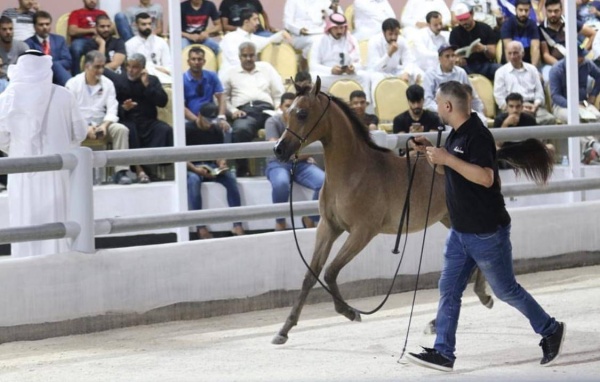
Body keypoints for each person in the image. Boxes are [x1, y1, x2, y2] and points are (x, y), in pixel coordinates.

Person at [406, 80, 565, 372]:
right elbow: (448, 169)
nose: (436, 107)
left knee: (506, 291)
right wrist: (432, 153)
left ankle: (550, 329)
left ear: (449, 106)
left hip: (485, 232)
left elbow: (485, 178)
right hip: (461, 232)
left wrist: (448, 158)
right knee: (449, 288)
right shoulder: (457, 134)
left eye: (439, 103)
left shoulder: (476, 135)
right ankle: (444, 352)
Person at [0, 50, 88, 257]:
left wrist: (19, 149)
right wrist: (63, 145)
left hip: (22, 173)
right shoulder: (64, 95)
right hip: (58, 172)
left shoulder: (7, 98)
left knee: (25, 218)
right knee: (58, 223)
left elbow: (1, 138)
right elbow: (80, 133)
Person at [65, 50, 132, 185]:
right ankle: (72, 174)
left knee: (121, 130)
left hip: (101, 124)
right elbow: (69, 113)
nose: (101, 70)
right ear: (86, 66)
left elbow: (112, 109)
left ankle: (121, 172)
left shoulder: (108, 83)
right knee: (67, 130)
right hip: (79, 125)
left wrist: (105, 125)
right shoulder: (73, 83)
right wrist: (85, 128)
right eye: (97, 67)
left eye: (102, 66)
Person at [104, 53, 172, 183]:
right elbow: (111, 106)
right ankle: (139, 169)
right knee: (129, 130)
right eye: (128, 66)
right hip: (127, 119)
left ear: (142, 68)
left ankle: (152, 167)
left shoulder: (152, 80)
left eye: (135, 67)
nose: (130, 70)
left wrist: (147, 86)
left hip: (148, 121)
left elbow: (162, 101)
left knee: (164, 130)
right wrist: (124, 108)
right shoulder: (120, 81)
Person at [220, 41, 283, 176]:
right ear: (239, 57)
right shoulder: (231, 73)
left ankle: (280, 167)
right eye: (245, 56)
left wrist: (279, 109)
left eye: (251, 55)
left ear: (256, 56)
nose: (248, 59)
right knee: (241, 129)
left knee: (281, 125)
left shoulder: (267, 69)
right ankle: (243, 171)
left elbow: (278, 93)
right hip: (245, 112)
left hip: (268, 110)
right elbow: (222, 97)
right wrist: (233, 111)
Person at [265, 92, 324, 231]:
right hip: (278, 164)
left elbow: (312, 149)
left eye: (294, 106)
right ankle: (280, 221)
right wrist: (301, 154)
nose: (291, 109)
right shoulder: (272, 121)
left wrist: (296, 155)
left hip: (301, 164)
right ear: (280, 107)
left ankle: (311, 218)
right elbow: (276, 150)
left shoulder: (305, 122)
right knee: (281, 183)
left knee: (324, 182)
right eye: (287, 106)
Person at [186, 102, 245, 239]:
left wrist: (221, 163)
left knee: (230, 179)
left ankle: (237, 224)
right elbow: (180, 158)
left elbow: (219, 153)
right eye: (207, 120)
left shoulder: (216, 129)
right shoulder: (187, 130)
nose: (209, 124)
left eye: (212, 121)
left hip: (210, 166)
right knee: (193, 181)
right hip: (193, 167)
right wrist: (194, 168)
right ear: (199, 116)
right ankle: (200, 227)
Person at [309, 12, 371, 101]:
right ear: (329, 28)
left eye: (341, 28)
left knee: (366, 77)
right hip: (329, 75)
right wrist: (330, 70)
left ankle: (365, 106)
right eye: (336, 28)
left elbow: (359, 63)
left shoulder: (351, 39)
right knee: (313, 78)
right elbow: (313, 65)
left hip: (347, 75)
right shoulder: (319, 41)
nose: (339, 31)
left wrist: (353, 68)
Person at [493, 40, 555, 125]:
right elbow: (499, 97)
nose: (512, 56)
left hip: (533, 106)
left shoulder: (532, 69)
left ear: (522, 53)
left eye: (515, 53)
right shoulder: (501, 72)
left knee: (550, 119)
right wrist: (518, 109)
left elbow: (539, 92)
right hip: (512, 108)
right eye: (509, 53)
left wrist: (535, 105)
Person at [219, 9, 290, 75]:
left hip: (249, 74)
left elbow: (269, 40)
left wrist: (282, 34)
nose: (258, 23)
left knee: (267, 67)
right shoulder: (230, 37)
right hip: (231, 74)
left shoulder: (253, 38)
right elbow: (234, 62)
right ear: (246, 22)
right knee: (266, 67)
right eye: (255, 20)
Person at [539, 0, 595, 81]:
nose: (553, 14)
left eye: (556, 11)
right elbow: (545, 55)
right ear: (545, 11)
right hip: (555, 64)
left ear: (561, 10)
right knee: (548, 79)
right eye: (550, 11)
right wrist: (564, 65)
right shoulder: (541, 28)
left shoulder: (569, 21)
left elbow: (592, 34)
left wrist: (582, 53)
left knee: (590, 79)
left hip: (577, 61)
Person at [184, 46, 231, 142]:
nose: (196, 62)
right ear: (188, 61)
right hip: (190, 118)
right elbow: (180, 106)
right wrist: (197, 120)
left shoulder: (212, 76)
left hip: (211, 116)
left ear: (204, 62)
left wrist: (221, 117)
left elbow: (221, 96)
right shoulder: (181, 79)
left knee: (227, 129)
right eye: (193, 59)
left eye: (199, 59)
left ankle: (223, 157)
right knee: (182, 131)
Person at [367, 17, 422, 99]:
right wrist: (389, 53)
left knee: (417, 72)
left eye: (396, 34)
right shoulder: (374, 41)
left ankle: (413, 103)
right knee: (376, 77)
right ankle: (378, 107)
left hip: (395, 70)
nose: (393, 37)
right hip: (379, 72)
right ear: (383, 32)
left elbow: (409, 60)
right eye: (390, 34)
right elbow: (375, 67)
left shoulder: (402, 41)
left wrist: (406, 73)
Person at [422, 44, 484, 114]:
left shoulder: (461, 72)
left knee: (482, 120)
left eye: (453, 56)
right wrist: (444, 111)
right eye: (447, 56)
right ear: (439, 59)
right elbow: (427, 101)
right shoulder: (430, 75)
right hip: (438, 113)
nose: (451, 59)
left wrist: (480, 112)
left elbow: (472, 95)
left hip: (459, 112)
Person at [450, 3, 500, 81]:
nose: (463, 23)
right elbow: (453, 55)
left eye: (466, 19)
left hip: (484, 64)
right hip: (466, 66)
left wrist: (484, 48)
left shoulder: (485, 28)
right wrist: (458, 59)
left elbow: (493, 54)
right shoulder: (454, 33)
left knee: (500, 69)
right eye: (461, 20)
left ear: (472, 14)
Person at [24, 11, 72, 86]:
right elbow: (30, 66)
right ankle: (72, 88)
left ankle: (72, 89)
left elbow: (68, 61)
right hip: (40, 78)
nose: (45, 27)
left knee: (55, 65)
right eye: (41, 25)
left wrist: (52, 65)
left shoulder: (59, 40)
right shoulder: (28, 43)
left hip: (58, 76)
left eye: (47, 24)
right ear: (34, 27)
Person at [125, 12, 172, 84]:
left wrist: (151, 67)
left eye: (149, 24)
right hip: (139, 79)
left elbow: (168, 67)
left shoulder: (161, 42)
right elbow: (132, 68)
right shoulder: (129, 44)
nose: (147, 27)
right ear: (136, 25)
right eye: (144, 24)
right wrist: (153, 67)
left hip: (162, 77)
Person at [67, 0, 108, 75]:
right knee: (76, 48)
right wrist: (91, 30)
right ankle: (76, 76)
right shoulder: (76, 13)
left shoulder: (102, 13)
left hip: (100, 38)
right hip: (82, 39)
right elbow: (72, 31)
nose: (92, 1)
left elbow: (109, 27)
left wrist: (102, 31)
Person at [501, 0, 541, 66]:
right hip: (509, 65)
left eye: (526, 10)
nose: (523, 13)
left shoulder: (533, 25)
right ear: (516, 10)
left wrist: (533, 69)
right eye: (520, 10)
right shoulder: (507, 24)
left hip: (528, 64)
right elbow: (508, 49)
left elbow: (535, 48)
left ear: (530, 11)